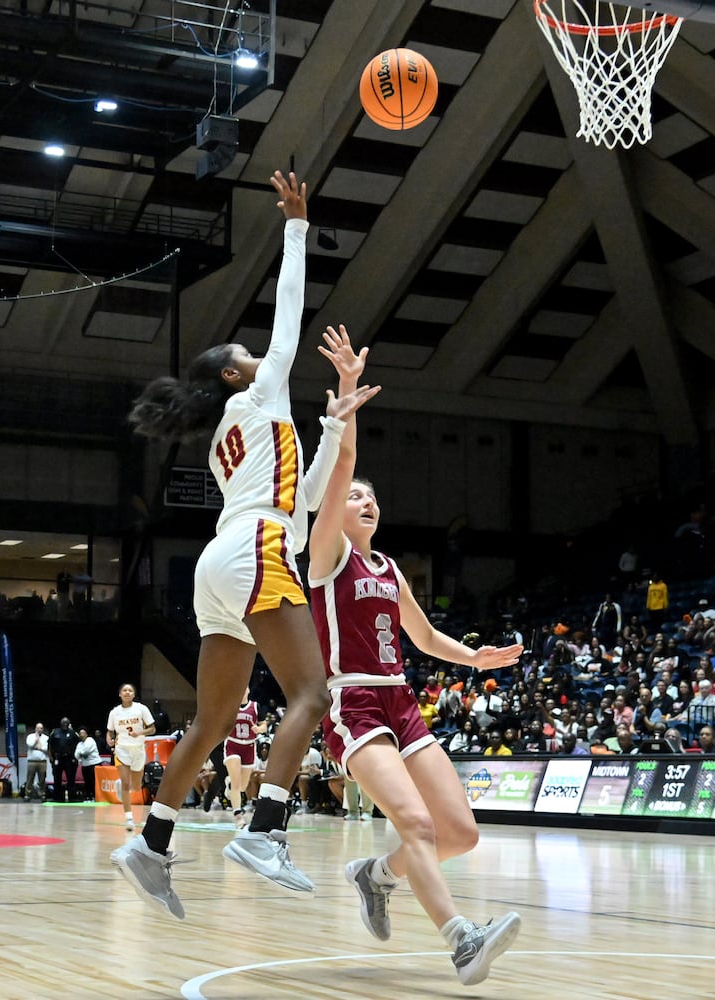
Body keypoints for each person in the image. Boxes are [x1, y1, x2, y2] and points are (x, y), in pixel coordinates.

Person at [112, 171, 380, 916]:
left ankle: (150, 841)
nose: (266, 355)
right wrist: (295, 229)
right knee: (310, 692)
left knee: (211, 718)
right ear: (233, 373)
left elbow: (299, 509)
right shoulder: (253, 395)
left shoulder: (239, 434)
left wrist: (331, 428)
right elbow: (290, 319)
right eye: (249, 352)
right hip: (256, 547)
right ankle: (263, 829)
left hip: (227, 556)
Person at [303, 330, 522, 986]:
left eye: (369, 495)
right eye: (352, 496)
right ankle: (460, 939)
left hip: (400, 697)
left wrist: (475, 659)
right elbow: (338, 471)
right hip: (352, 700)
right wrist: (345, 398)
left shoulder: (388, 567)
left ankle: (373, 875)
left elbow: (424, 639)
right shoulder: (325, 557)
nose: (362, 499)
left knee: (459, 833)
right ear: (333, 512)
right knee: (416, 822)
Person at [106, 683, 156, 830]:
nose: (127, 692)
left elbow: (152, 729)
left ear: (134, 694)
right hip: (122, 749)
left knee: (135, 787)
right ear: (120, 694)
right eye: (124, 690)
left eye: (130, 690)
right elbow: (109, 731)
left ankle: (121, 785)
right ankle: (129, 818)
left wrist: (139, 733)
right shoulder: (114, 712)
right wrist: (109, 739)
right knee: (126, 784)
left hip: (138, 749)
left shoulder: (141, 709)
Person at [222, 687, 265, 827]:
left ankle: (229, 783)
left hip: (249, 746)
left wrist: (259, 729)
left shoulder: (255, 706)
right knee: (236, 782)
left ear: (248, 690)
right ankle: (238, 815)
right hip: (233, 745)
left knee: (242, 786)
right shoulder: (230, 705)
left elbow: (263, 724)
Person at [48, 716, 79, 801]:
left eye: (66, 723)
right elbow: (50, 746)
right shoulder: (55, 732)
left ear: (69, 724)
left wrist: (76, 758)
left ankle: (72, 797)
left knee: (71, 779)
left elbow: (79, 744)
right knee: (57, 779)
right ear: (60, 723)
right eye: (63, 722)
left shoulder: (72, 732)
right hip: (58, 758)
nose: (65, 724)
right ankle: (57, 798)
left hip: (69, 759)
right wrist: (51, 758)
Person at [73, 727, 102, 802]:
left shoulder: (90, 740)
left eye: (83, 733)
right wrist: (80, 754)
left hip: (95, 764)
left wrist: (81, 753)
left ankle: (96, 797)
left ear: (86, 734)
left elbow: (87, 750)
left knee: (94, 782)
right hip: (85, 765)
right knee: (87, 782)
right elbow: (76, 754)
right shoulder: (79, 744)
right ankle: (88, 796)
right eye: (80, 733)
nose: (81, 735)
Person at [25, 722, 49, 801]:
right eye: (38, 728)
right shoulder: (30, 736)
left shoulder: (46, 738)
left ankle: (42, 794)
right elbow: (30, 745)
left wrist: (39, 748)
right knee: (29, 779)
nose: (39, 729)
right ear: (35, 728)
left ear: (43, 729)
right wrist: (36, 740)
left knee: (42, 779)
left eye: (41, 728)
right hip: (32, 761)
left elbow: (46, 749)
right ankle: (28, 795)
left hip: (42, 761)